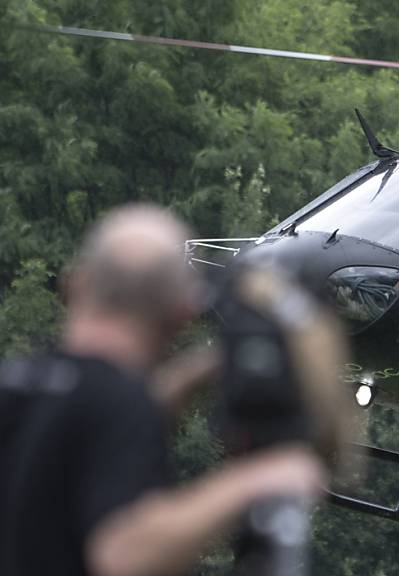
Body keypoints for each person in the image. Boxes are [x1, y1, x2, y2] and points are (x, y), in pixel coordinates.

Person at [0, 204, 326, 576]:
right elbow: (123, 553)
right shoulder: (120, 404)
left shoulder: (17, 382)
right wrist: (257, 479)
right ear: (183, 315)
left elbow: (78, 436)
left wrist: (197, 371)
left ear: (74, 284)